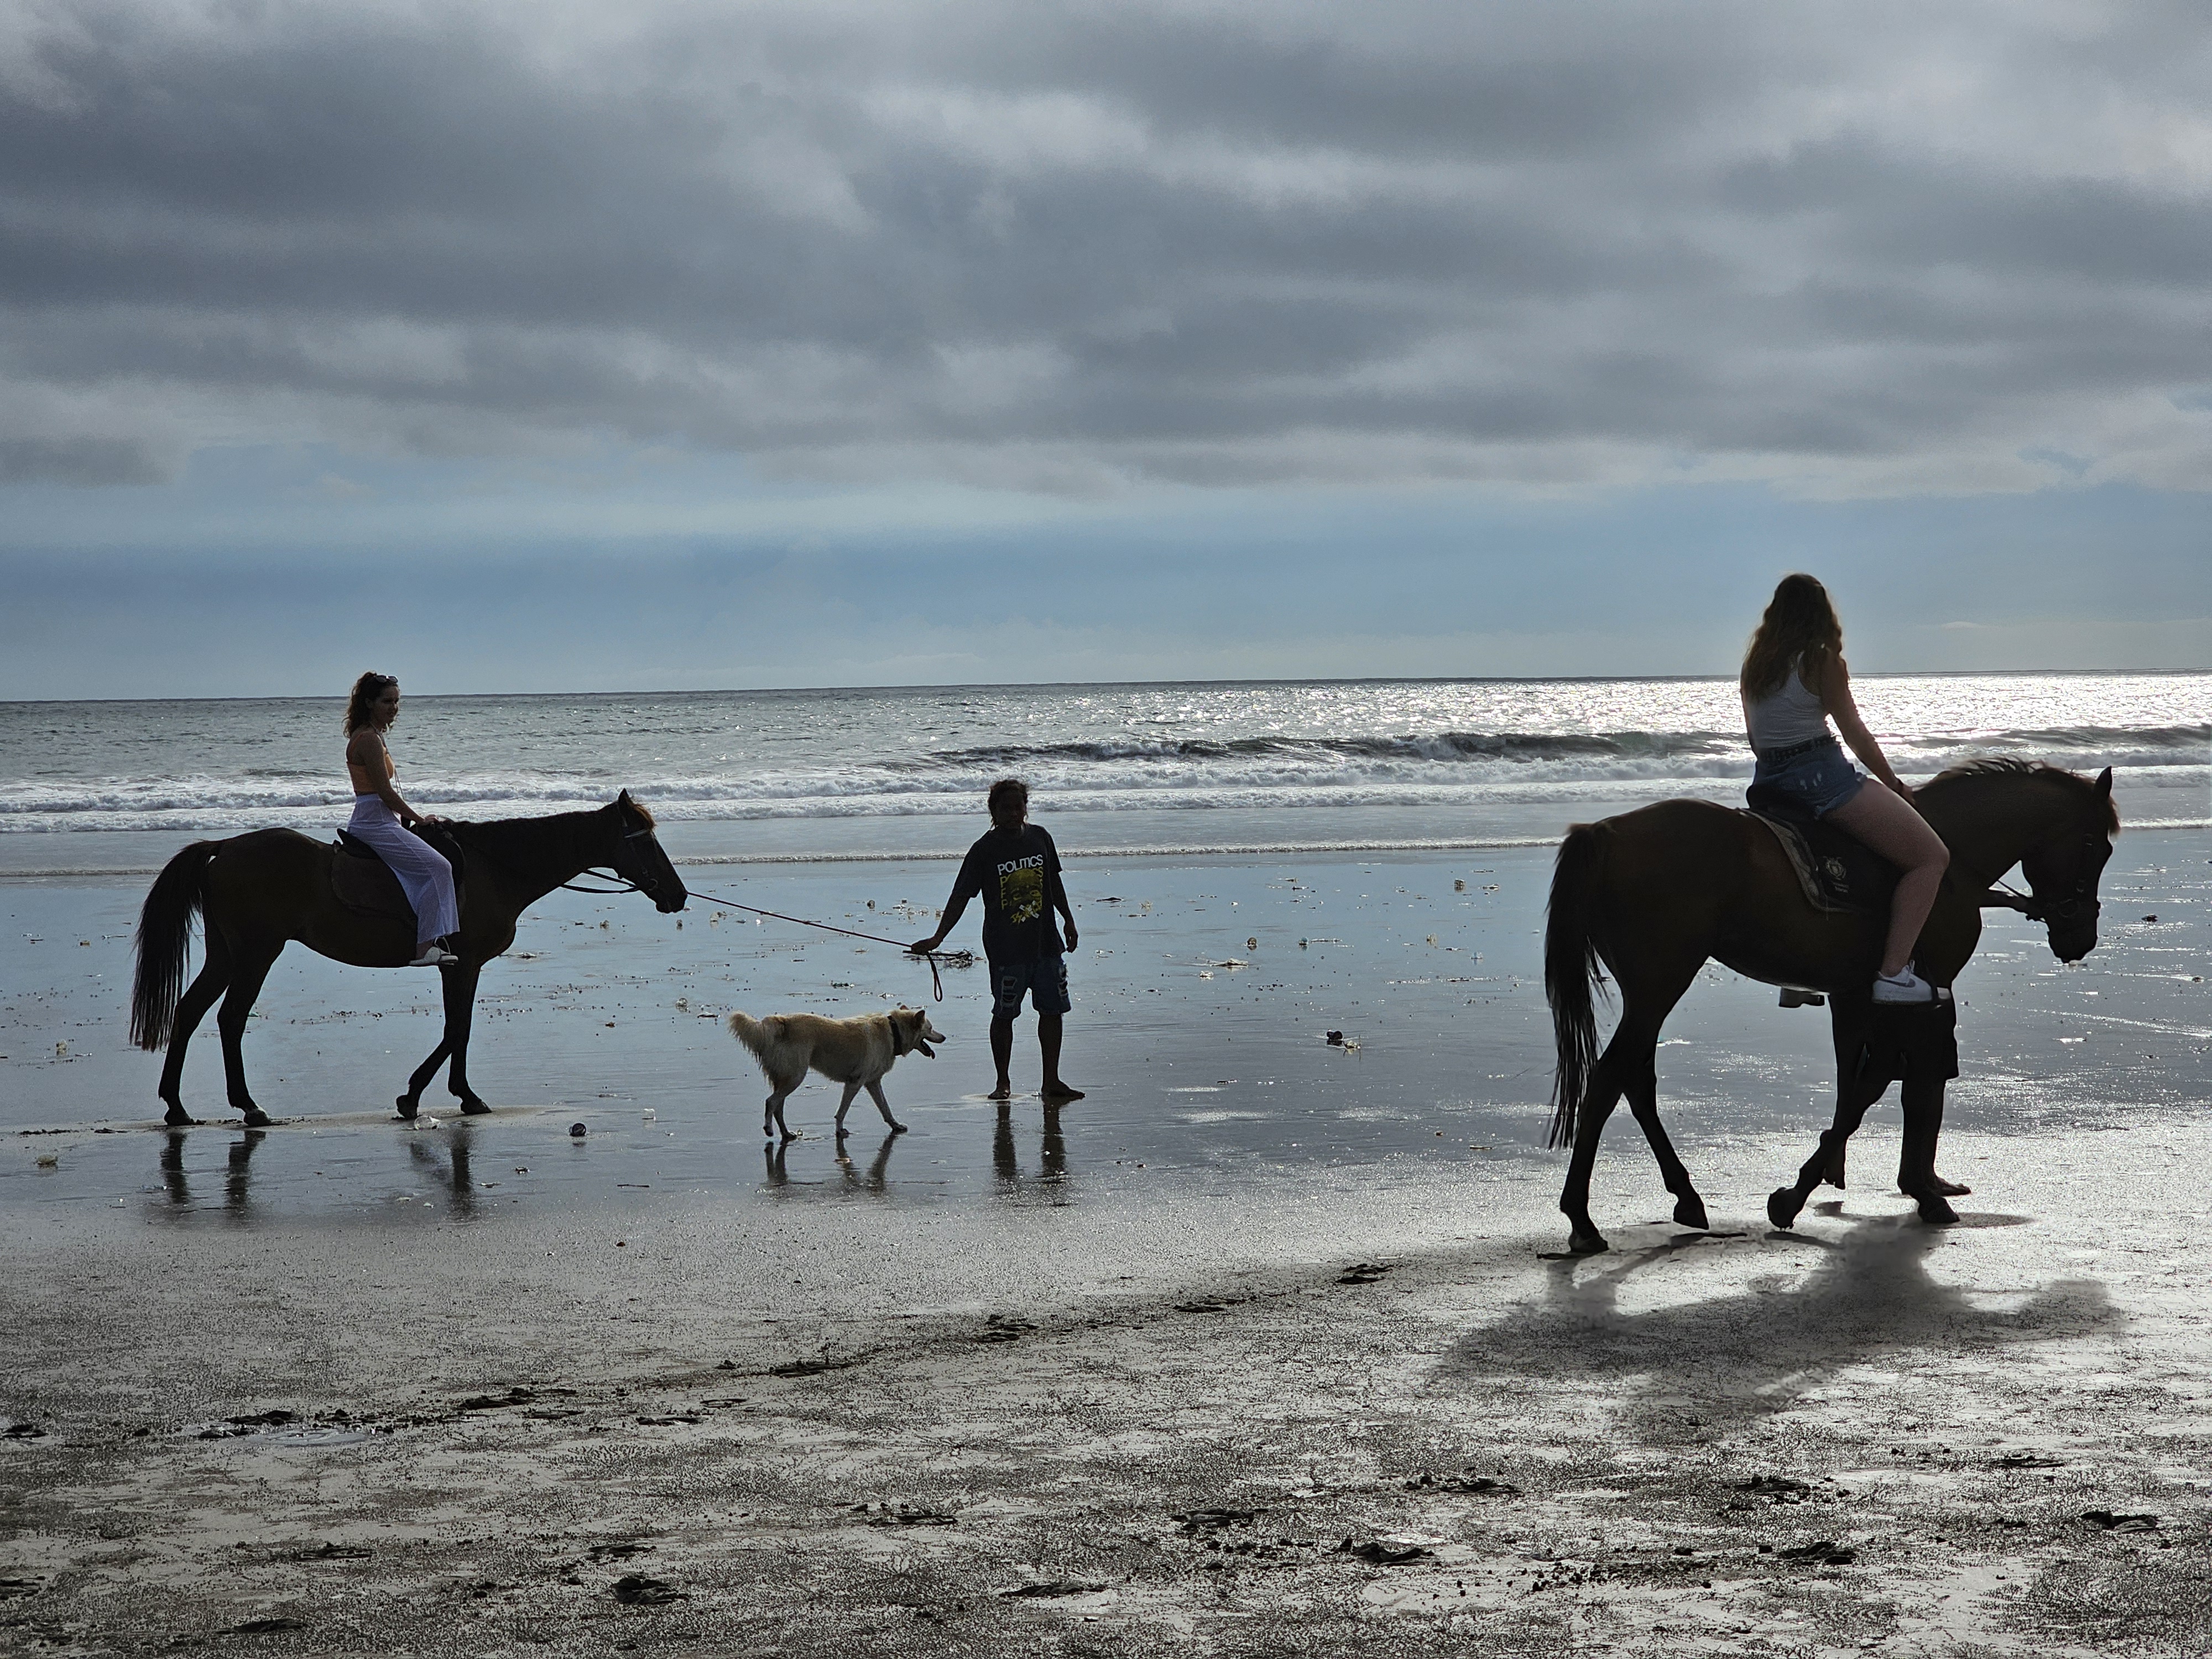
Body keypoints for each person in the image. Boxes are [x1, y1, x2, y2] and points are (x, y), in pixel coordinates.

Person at [1742, 575, 1949, 1004]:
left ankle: (1794, 979)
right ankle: (1892, 974)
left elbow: (1755, 738)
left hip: (1768, 783)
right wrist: (1892, 784)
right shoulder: (1820, 660)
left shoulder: (1758, 663)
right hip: (1821, 781)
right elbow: (1853, 730)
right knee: (1930, 858)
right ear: (1822, 614)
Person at [910, 778, 1084, 1102]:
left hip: (1046, 944)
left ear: (1026, 808)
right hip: (1006, 949)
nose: (1014, 813)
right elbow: (961, 895)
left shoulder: (1041, 838)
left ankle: (1052, 1082)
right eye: (1006, 808)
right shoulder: (984, 850)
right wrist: (938, 937)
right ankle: (1003, 1082)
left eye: (1019, 806)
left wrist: (1068, 919)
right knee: (1005, 1014)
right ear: (993, 811)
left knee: (1052, 1012)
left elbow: (1054, 885)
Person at [343, 672, 460, 967]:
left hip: (382, 819)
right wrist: (419, 819)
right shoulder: (368, 739)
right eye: (387, 701)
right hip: (375, 822)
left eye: (397, 701)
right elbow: (384, 793)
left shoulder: (373, 735)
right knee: (439, 867)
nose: (394, 708)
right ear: (369, 703)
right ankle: (424, 949)